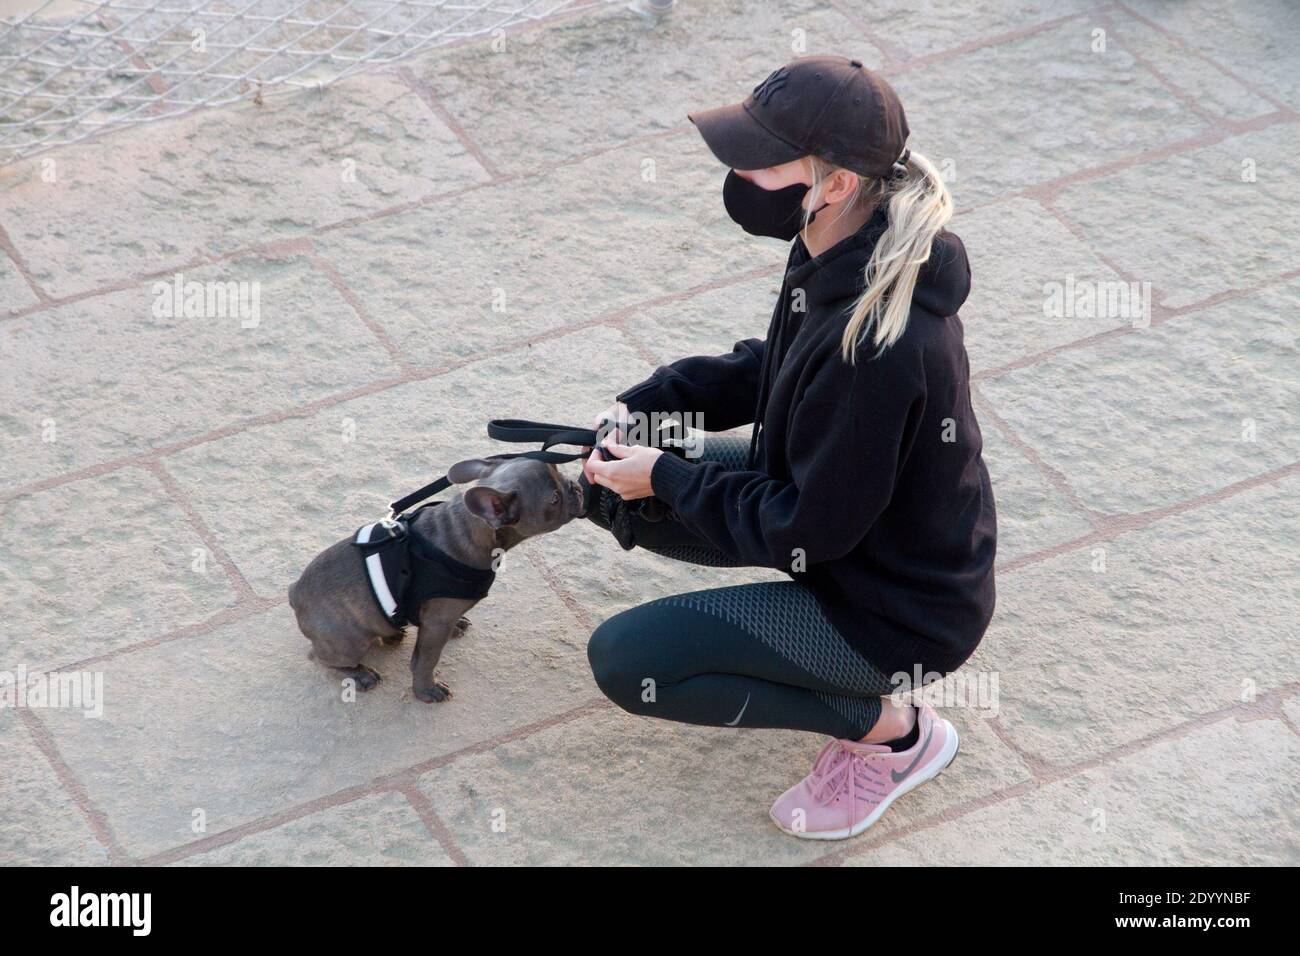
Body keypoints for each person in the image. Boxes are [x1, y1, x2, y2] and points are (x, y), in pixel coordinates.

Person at [580, 56, 997, 840]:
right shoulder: (839, 240)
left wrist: (668, 474)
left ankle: (896, 738)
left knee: (629, 661)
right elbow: (771, 364)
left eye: (759, 159)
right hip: (838, 523)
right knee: (609, 482)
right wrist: (652, 404)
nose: (737, 172)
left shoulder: (883, 342)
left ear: (834, 180)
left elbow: (807, 530)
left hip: (893, 613)